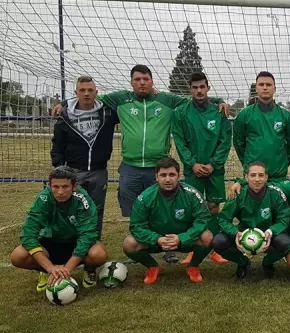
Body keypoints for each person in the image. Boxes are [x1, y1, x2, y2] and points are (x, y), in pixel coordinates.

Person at [53, 64, 227, 264]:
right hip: (130, 167)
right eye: (137, 79)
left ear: (152, 82)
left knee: (165, 208)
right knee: (135, 211)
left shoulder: (166, 100)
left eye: (146, 79)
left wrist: (219, 101)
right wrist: (64, 103)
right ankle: (142, 246)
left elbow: (195, 97)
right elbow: (90, 96)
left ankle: (169, 249)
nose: (142, 83)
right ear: (131, 82)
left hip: (158, 167)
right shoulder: (120, 99)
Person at [10, 166, 108, 292]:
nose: (60, 192)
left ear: (74, 186)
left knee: (99, 254)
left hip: (75, 242)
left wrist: (67, 269)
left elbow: (88, 235)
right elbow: (28, 235)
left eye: (65, 187)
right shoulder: (43, 199)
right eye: (55, 187)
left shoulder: (82, 199)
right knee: (18, 256)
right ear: (49, 186)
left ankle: (89, 270)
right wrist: (50, 267)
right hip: (50, 243)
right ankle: (45, 271)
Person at [171, 71, 232, 265]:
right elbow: (179, 142)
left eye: (202, 87)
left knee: (213, 207)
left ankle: (214, 249)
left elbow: (225, 141)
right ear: (190, 90)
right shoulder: (180, 113)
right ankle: (194, 248)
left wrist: (214, 164)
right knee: (194, 209)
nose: (199, 91)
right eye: (195, 87)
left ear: (208, 88)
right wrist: (192, 163)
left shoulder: (219, 111)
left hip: (215, 169)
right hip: (193, 169)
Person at [122, 157, 213, 284]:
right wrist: (157, 239)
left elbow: (203, 219)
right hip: (156, 241)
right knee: (129, 243)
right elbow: (136, 226)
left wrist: (182, 238)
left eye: (172, 175)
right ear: (156, 177)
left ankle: (193, 266)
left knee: (207, 237)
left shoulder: (191, 194)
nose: (168, 179)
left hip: (184, 239)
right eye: (163, 175)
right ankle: (152, 266)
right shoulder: (145, 197)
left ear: (179, 176)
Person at [50, 75, 119, 237]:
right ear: (76, 93)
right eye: (82, 90)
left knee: (96, 209)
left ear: (96, 92)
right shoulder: (64, 116)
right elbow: (57, 144)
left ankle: (93, 241)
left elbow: (128, 102)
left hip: (99, 170)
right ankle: (70, 241)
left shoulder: (108, 113)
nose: (86, 93)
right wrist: (59, 169)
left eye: (90, 90)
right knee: (72, 207)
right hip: (73, 170)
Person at [214, 161, 290, 279]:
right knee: (219, 242)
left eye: (261, 175)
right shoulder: (239, 193)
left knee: (284, 243)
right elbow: (223, 219)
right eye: (253, 175)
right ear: (246, 177)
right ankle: (243, 262)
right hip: (244, 232)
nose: (257, 179)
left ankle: (267, 263)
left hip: (269, 232)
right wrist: (235, 233)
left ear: (266, 177)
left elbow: (285, 217)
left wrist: (271, 231)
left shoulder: (275, 193)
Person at [233, 71, 290, 182]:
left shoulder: (285, 115)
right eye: (261, 84)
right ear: (256, 89)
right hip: (254, 176)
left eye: (268, 85)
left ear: (274, 89)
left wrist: (282, 162)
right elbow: (238, 143)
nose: (265, 88)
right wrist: (248, 162)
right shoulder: (244, 115)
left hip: (278, 175)